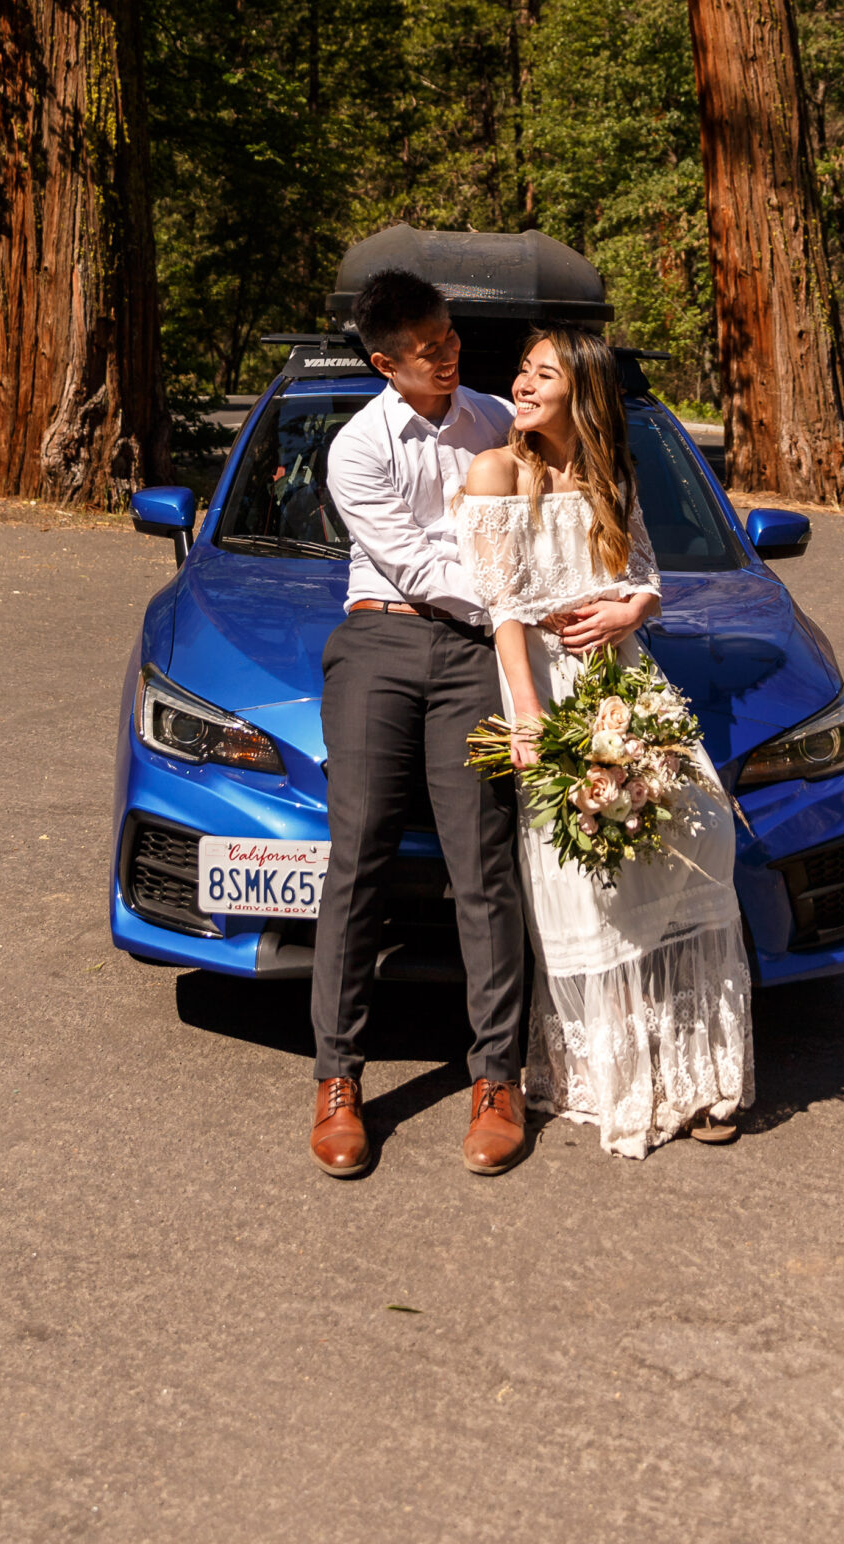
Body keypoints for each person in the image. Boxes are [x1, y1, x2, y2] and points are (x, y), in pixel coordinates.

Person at [456, 328, 754, 1158]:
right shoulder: (496, 472)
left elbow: (647, 574)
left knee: (694, 851)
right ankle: (619, 1080)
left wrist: (632, 608)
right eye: (521, 368)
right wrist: (525, 713)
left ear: (580, 391)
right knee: (586, 888)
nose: (521, 382)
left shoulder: (609, 474)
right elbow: (500, 608)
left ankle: (699, 1080)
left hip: (629, 685)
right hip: (549, 694)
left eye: (541, 372)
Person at [310, 267, 529, 1180]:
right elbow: (414, 563)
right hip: (385, 645)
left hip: (477, 654)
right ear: (384, 363)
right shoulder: (357, 450)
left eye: (450, 339)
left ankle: (496, 1078)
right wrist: (506, 587)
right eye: (429, 350)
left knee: (482, 858)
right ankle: (336, 1080)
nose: (449, 357)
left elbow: (545, 511)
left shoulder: (491, 416)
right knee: (356, 852)